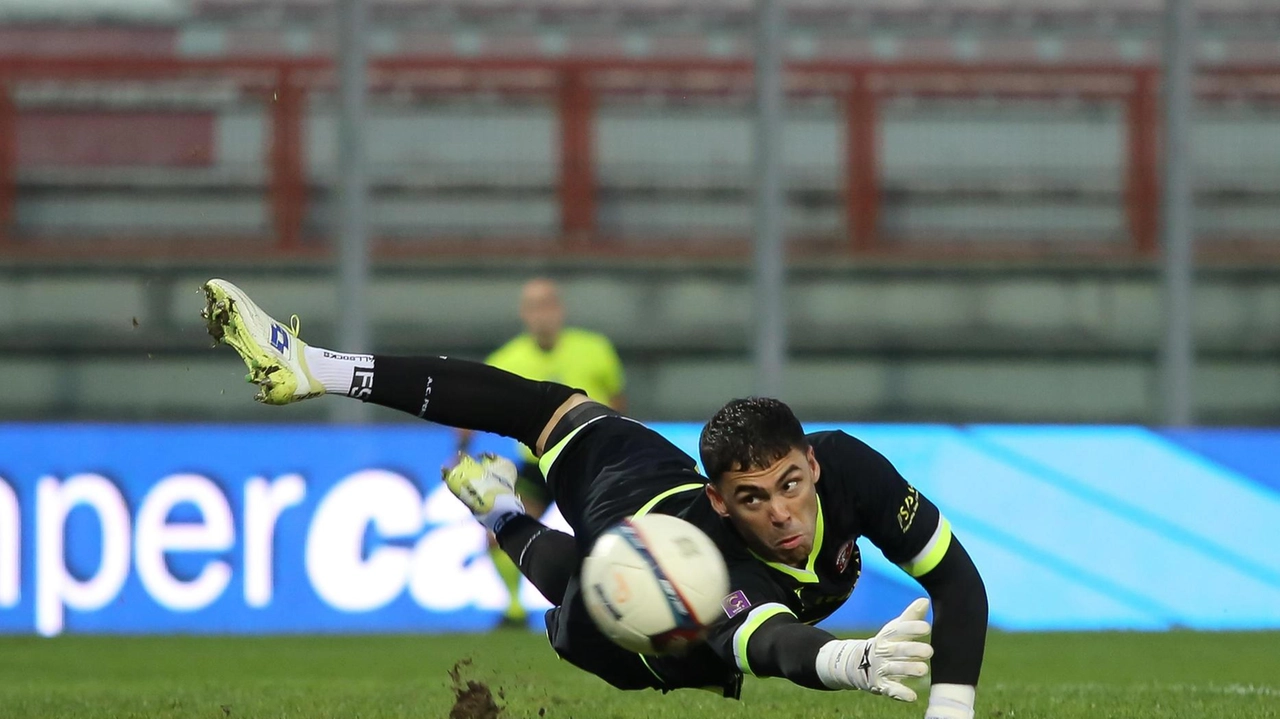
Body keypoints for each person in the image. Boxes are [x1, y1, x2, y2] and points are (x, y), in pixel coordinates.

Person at [201, 278, 987, 719]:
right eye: (753, 497)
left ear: (812, 463)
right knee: (593, 595)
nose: (781, 511)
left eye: (791, 484)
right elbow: (773, 646)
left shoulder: (851, 469)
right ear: (720, 500)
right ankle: (321, 370)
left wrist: (949, 707)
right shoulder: (711, 563)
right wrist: (849, 660)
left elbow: (956, 579)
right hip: (656, 543)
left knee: (569, 429)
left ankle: (496, 503)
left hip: (663, 506)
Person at [455, 277, 626, 628]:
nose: (542, 315)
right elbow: (470, 401)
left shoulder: (595, 349)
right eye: (534, 307)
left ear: (560, 309)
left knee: (609, 538)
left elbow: (617, 399)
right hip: (539, 463)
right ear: (524, 314)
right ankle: (515, 609)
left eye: (548, 304)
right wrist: (462, 447)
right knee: (498, 530)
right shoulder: (507, 358)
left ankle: (618, 609)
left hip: (590, 463)